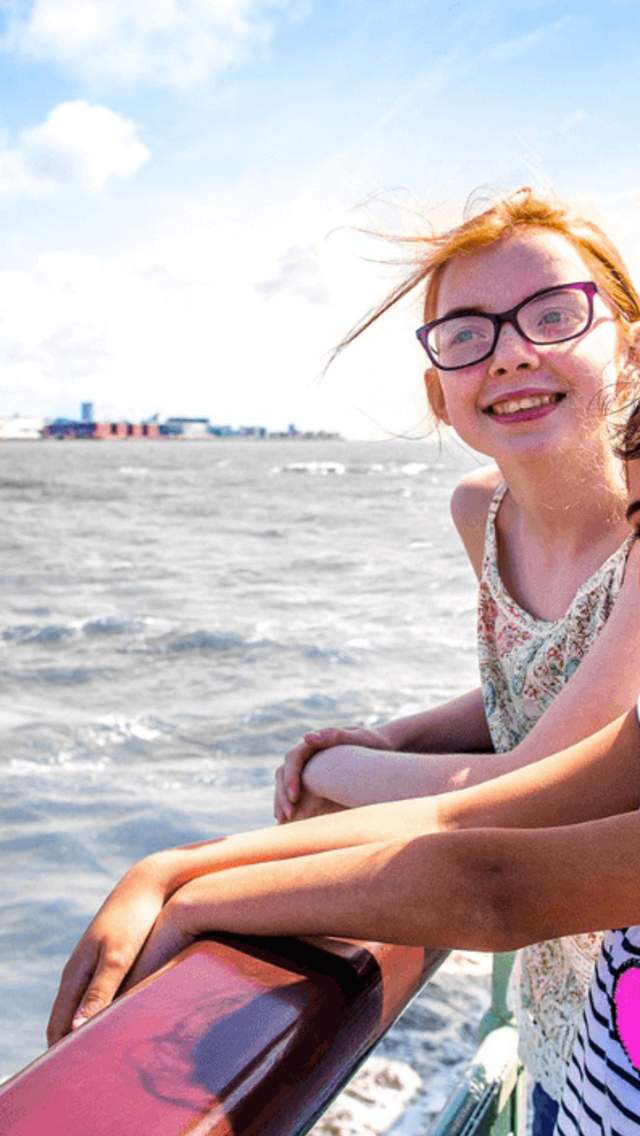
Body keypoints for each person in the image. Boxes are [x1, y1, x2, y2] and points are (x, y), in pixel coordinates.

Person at [47, 189, 640, 1134]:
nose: (513, 350)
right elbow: (546, 690)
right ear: (438, 389)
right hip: (572, 996)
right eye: (467, 334)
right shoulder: (479, 512)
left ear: (630, 344)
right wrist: (401, 734)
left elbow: (537, 791)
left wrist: (318, 781)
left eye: (555, 313)